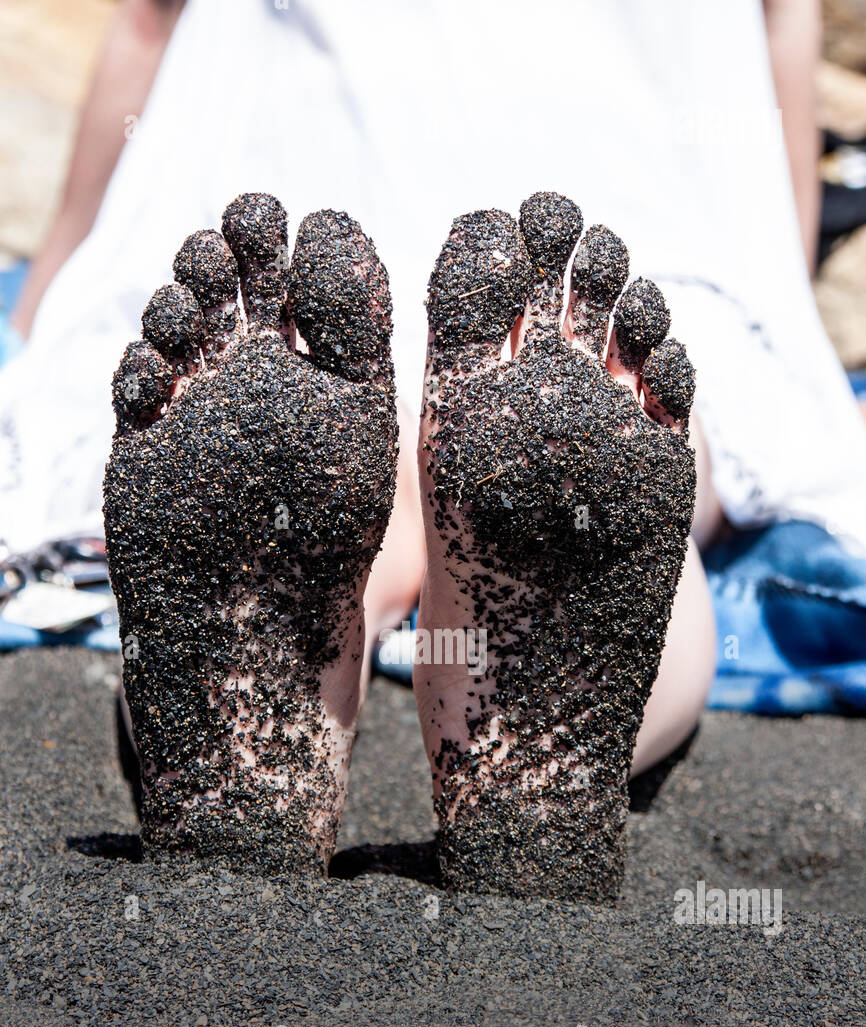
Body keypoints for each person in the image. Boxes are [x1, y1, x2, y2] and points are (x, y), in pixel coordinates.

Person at [2, 0, 865, 894]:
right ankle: (526, 743)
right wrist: (781, 310)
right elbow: (781, 30)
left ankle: (264, 708)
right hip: (628, 190)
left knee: (331, 490)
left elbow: (148, 19)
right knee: (618, 454)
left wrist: (42, 310)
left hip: (288, 171)